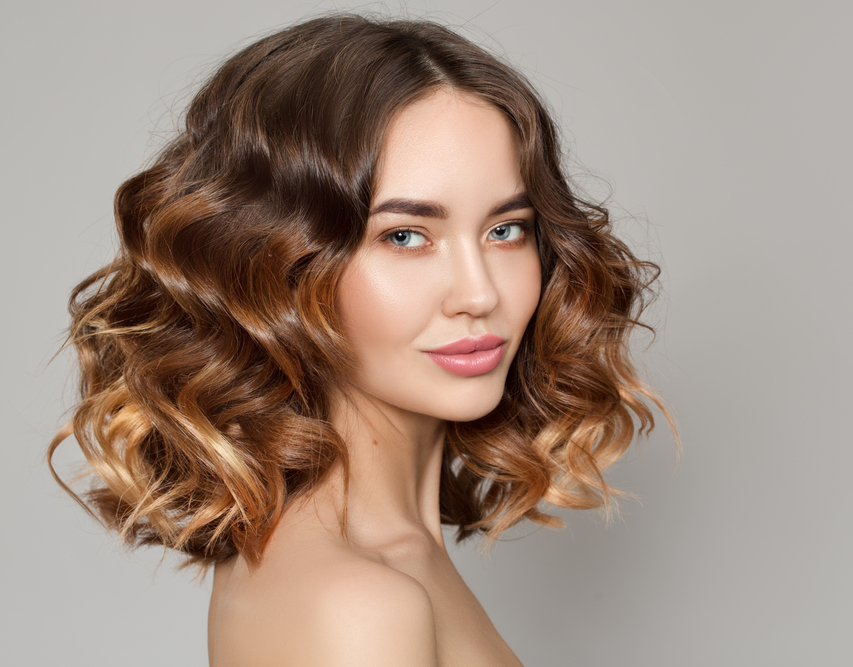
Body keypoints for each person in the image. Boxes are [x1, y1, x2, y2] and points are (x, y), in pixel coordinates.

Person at [49, 13, 672, 666]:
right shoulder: (355, 606)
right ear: (279, 268)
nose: (479, 293)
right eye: (405, 236)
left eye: (505, 230)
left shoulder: (392, 558)